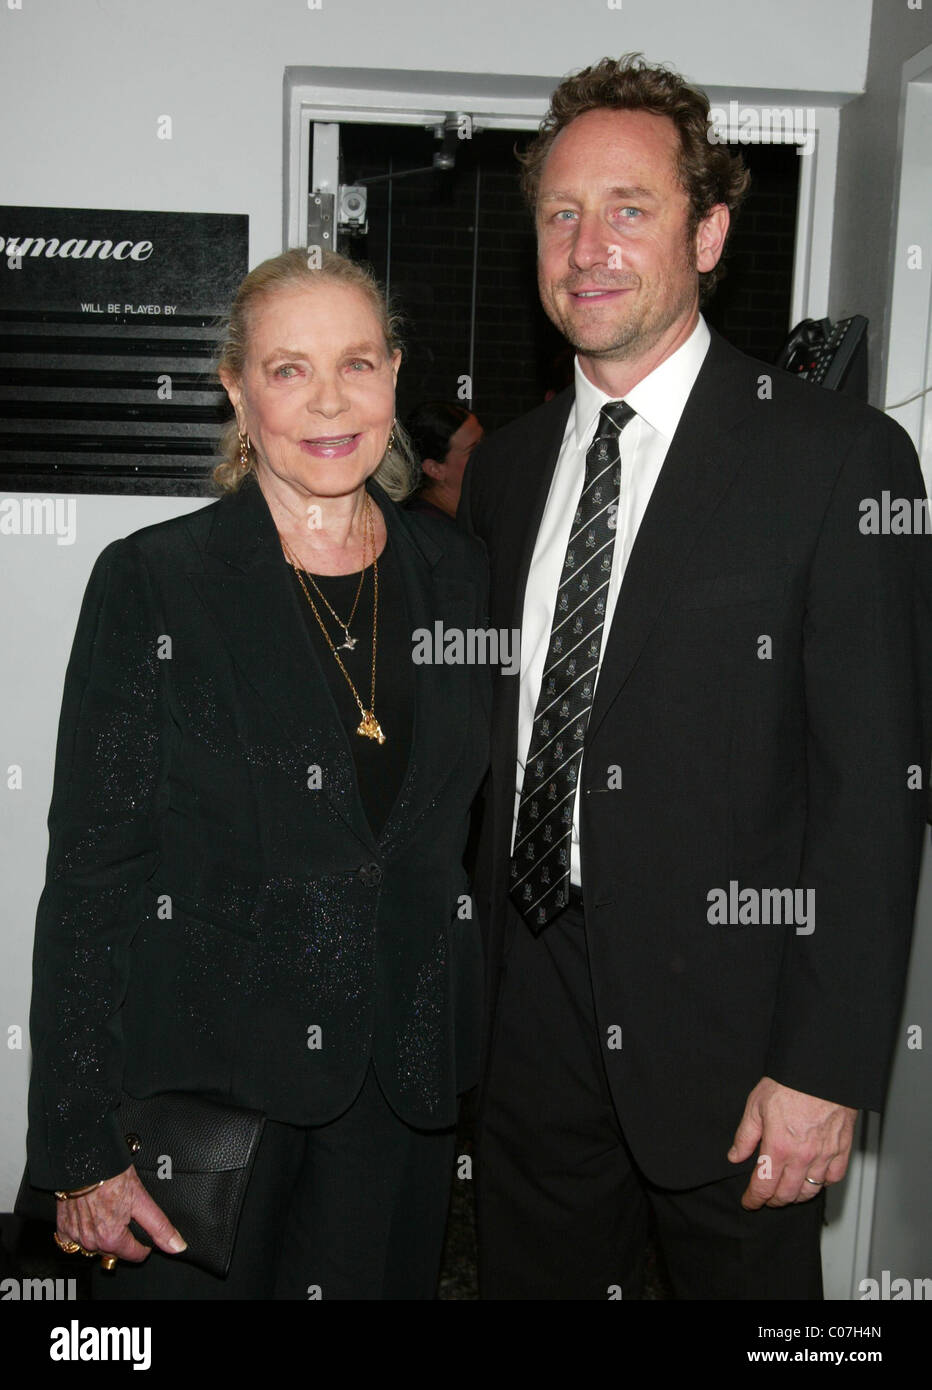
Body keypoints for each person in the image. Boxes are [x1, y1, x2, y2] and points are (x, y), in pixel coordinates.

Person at [459, 54, 932, 1300]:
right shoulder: (504, 472)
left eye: (629, 209)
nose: (587, 246)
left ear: (708, 231)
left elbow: (873, 795)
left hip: (736, 1050)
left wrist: (825, 1069)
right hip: (530, 1019)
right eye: (561, 213)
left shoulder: (840, 460)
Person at [25, 247, 490, 1300]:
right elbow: (93, 877)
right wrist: (77, 1142)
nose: (328, 400)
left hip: (398, 1097)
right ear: (236, 388)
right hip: (206, 1102)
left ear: (394, 374)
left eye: (357, 364)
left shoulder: (457, 576)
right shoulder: (156, 583)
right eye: (287, 370)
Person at [404, 401, 483, 519]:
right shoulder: (427, 527)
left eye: (484, 444)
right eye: (473, 451)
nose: (485, 454)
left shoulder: (468, 514)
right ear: (435, 469)